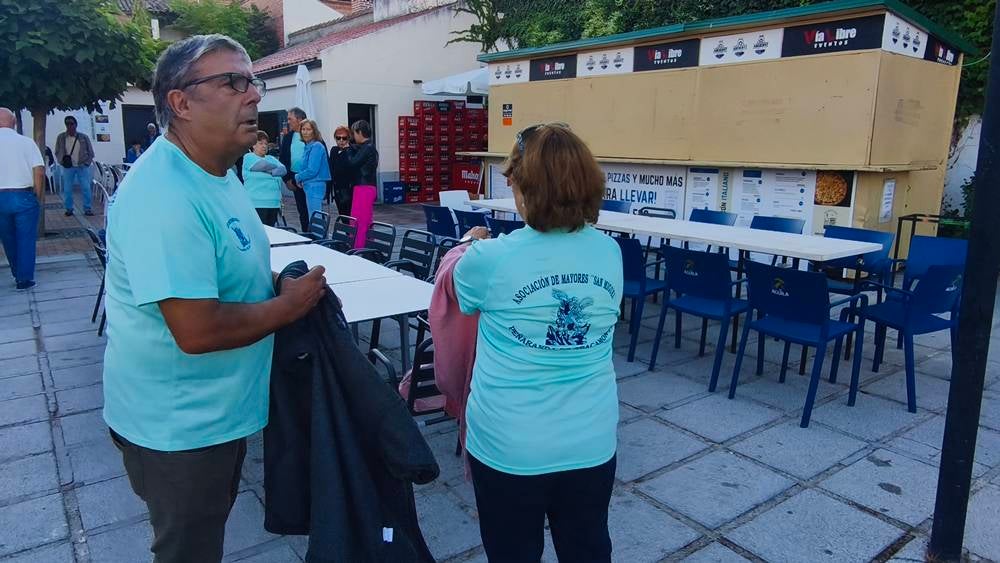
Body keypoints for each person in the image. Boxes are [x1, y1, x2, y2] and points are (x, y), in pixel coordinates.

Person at [102, 34, 328, 563]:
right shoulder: (163, 195)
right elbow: (197, 330)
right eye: (233, 82)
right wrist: (289, 306)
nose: (254, 95)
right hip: (179, 427)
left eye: (253, 81)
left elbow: (229, 264)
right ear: (180, 102)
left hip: (217, 413)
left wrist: (277, 283)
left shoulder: (218, 174)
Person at [451, 123, 623, 562]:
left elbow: (459, 294)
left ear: (524, 186)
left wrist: (466, 243)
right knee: (588, 548)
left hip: (509, 444)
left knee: (512, 552)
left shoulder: (490, 258)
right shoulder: (610, 252)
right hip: (591, 439)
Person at [0, 107, 45, 290]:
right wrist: (38, 195)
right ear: (14, 122)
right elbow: (39, 170)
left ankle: (16, 271)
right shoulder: (26, 142)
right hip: (23, 195)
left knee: (7, 238)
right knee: (26, 238)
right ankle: (24, 278)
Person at [242, 131, 286, 226]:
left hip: (273, 203)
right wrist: (274, 169)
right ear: (253, 145)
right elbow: (262, 165)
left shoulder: (271, 158)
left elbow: (283, 170)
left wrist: (269, 171)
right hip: (256, 203)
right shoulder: (249, 157)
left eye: (266, 144)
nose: (264, 146)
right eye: (260, 143)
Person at [54, 115, 95, 216]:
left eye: (71, 124)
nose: (69, 126)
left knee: (86, 188)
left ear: (76, 125)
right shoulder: (61, 137)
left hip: (82, 166)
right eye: (67, 124)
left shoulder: (83, 137)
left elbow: (90, 152)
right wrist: (61, 161)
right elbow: (57, 151)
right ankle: (69, 209)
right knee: (67, 189)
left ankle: (87, 208)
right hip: (68, 167)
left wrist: (87, 163)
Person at [278, 107, 310, 231]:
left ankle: (317, 236)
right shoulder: (288, 137)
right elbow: (283, 159)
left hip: (311, 179)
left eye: (290, 119)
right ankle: (307, 234)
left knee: (313, 211)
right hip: (294, 179)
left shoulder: (312, 135)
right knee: (302, 211)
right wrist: (287, 180)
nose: (288, 122)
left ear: (300, 119)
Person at [294, 119, 331, 220]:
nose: (305, 132)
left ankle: (318, 231)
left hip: (315, 185)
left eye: (308, 129)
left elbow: (312, 170)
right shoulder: (308, 146)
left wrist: (298, 177)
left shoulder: (316, 146)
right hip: (310, 185)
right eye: (303, 129)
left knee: (315, 217)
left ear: (314, 131)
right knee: (314, 216)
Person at [328, 125, 353, 215]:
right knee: (342, 214)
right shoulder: (334, 150)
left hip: (348, 189)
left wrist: (346, 149)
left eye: (344, 138)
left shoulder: (351, 151)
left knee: (349, 215)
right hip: (337, 188)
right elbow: (331, 168)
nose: (341, 140)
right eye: (338, 138)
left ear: (348, 139)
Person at [346, 119, 378, 188]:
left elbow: (352, 163)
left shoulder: (367, 147)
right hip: (368, 186)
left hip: (363, 187)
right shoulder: (369, 146)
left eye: (354, 133)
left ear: (360, 132)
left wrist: (348, 149)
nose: (354, 137)